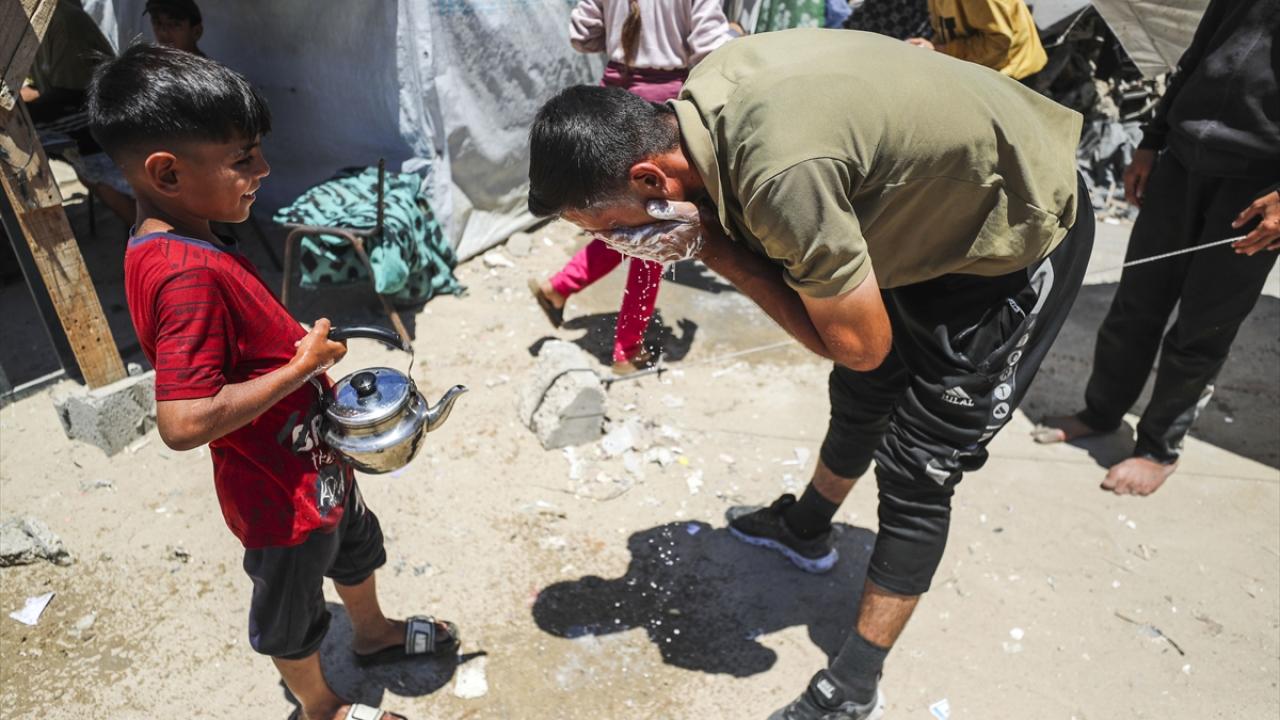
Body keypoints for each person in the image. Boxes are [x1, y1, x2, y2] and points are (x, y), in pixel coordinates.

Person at [527, 29, 1091, 719]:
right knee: (861, 397)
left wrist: (716, 251)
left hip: (1015, 229)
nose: (617, 243)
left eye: (609, 227)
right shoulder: (707, 93)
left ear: (651, 180)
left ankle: (852, 687)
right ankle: (806, 526)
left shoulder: (778, 177)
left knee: (920, 467)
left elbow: (858, 345)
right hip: (920, 218)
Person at [87, 45, 459, 720]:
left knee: (355, 546)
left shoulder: (185, 238)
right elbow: (184, 420)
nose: (262, 170)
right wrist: (301, 367)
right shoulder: (185, 275)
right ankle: (321, 706)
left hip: (312, 460)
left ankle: (372, 634)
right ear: (167, 172)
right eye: (243, 158)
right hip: (275, 496)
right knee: (291, 611)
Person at [1034, 0, 1280, 496]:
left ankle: (1157, 449)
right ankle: (1101, 412)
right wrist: (1151, 140)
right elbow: (1197, 56)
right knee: (1135, 304)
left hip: (1256, 186)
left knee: (1203, 326)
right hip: (1182, 160)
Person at [528, 0, 733, 373]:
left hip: (612, 105)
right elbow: (713, 47)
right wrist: (735, 37)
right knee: (655, 237)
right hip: (660, 110)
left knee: (621, 225)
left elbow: (581, 34)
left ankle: (560, 287)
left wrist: (623, 33)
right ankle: (627, 347)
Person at [22, 0, 135, 224]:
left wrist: (26, 109)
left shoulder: (61, 21)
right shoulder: (32, 26)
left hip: (98, 111)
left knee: (21, 133)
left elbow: (71, 92)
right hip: (77, 107)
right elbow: (41, 86)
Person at [905, 0, 1046, 81]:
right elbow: (946, 26)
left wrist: (939, 50)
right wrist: (931, 47)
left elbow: (997, 43)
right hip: (981, 71)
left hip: (1012, 76)